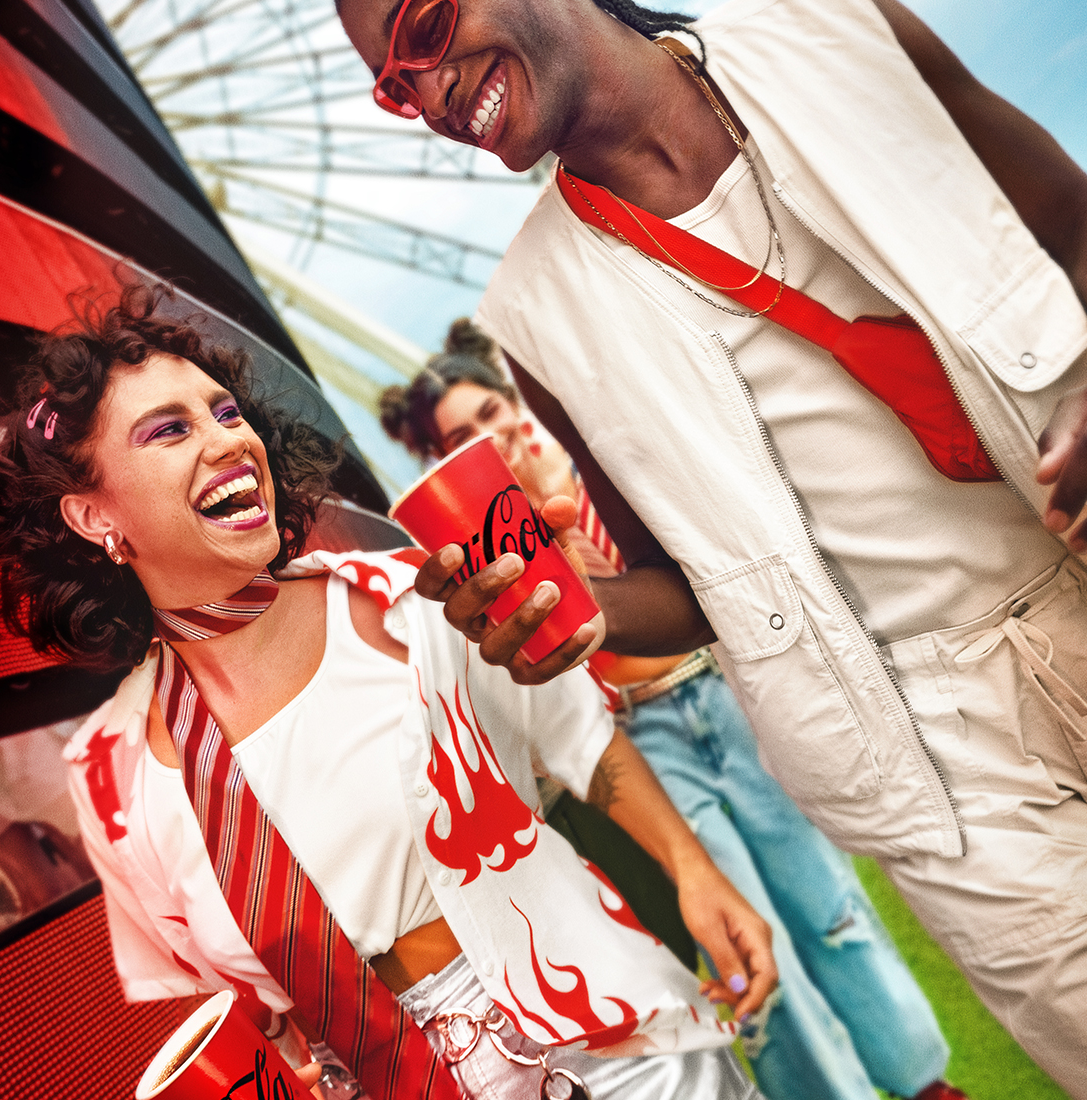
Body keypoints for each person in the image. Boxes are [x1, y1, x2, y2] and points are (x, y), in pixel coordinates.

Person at [337, 0, 1087, 1093]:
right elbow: (686, 588)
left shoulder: (831, 26)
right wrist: (581, 616)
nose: (425, 89)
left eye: (422, 25)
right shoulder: (533, 311)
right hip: (934, 743)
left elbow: (1066, 219)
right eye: (391, 84)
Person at [0, 286, 774, 1100]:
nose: (229, 441)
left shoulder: (411, 595)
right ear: (92, 516)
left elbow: (579, 738)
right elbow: (231, 1016)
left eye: (228, 413)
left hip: (608, 1033)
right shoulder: (111, 777)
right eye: (170, 429)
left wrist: (694, 872)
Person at [381, 318, 967, 1100]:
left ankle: (923, 1081)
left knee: (830, 906)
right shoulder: (485, 561)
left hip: (716, 695)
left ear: (511, 407)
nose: (487, 433)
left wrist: (601, 573)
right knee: (747, 937)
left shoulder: (593, 477)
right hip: (644, 731)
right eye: (459, 434)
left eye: (488, 413)